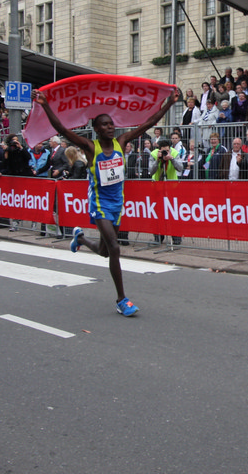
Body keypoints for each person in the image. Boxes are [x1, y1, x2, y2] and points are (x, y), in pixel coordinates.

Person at [32, 86, 179, 317]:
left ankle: (80, 238)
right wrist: (45, 105)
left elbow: (149, 123)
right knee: (115, 247)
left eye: (111, 124)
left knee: (104, 251)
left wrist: (169, 103)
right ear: (96, 129)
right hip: (99, 204)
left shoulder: (122, 141)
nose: (110, 127)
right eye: (104, 124)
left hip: (117, 203)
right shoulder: (91, 147)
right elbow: (61, 129)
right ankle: (122, 300)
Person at [151, 138, 184, 246]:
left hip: (171, 187)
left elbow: (180, 168)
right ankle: (158, 237)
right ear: (159, 150)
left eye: (167, 150)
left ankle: (176, 238)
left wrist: (172, 159)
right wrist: (157, 160)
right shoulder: (154, 154)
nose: (166, 152)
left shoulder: (174, 153)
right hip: (157, 186)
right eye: (163, 151)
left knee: (173, 213)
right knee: (158, 213)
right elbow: (151, 171)